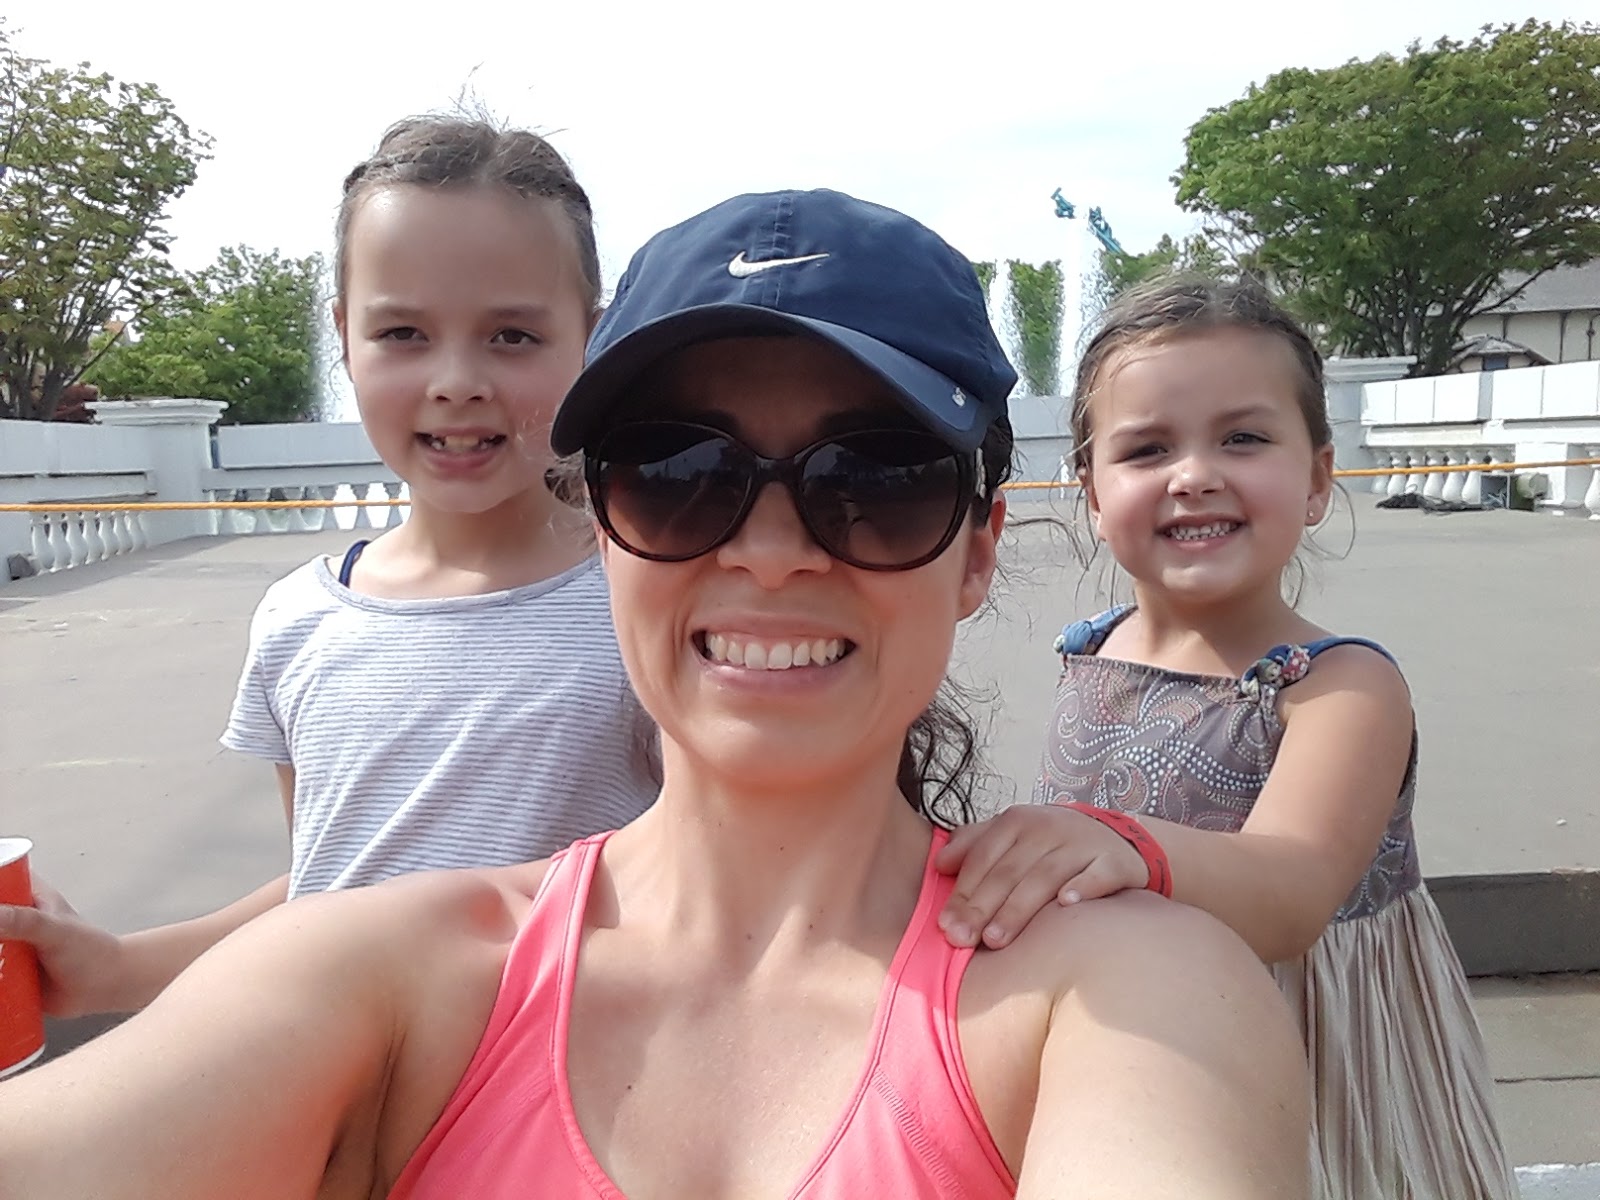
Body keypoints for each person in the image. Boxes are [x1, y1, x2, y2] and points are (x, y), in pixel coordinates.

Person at [0, 192, 1310, 1199]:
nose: (771, 551)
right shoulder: (388, 978)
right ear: (601, 527)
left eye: (876, 476)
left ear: (976, 551)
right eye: (680, 472)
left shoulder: (1131, 993)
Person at [0, 116, 658, 1019]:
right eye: (403, 332)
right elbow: (325, 884)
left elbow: (725, 879)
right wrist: (119, 969)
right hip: (341, 1085)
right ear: (345, 336)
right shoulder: (299, 619)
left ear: (591, 338)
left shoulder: (642, 601)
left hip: (557, 1081)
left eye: (512, 336)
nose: (456, 380)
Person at [934, 277, 1517, 1200]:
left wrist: (1122, 846)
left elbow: (1292, 891)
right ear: (1091, 491)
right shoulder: (1090, 652)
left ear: (1318, 477)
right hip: (1135, 1030)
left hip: (1314, 1052)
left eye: (1242, 438)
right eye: (1147, 448)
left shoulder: (1341, 686)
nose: (1194, 474)